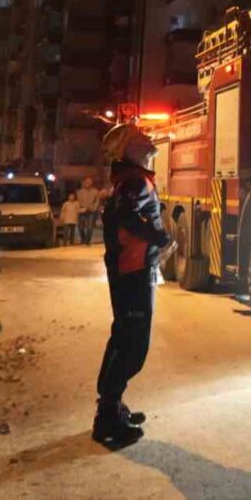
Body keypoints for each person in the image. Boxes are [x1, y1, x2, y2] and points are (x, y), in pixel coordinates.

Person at [93, 122, 172, 445]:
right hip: (133, 270)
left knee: (123, 337)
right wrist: (159, 235)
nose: (149, 140)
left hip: (131, 268)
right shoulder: (134, 181)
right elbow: (126, 216)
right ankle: (107, 419)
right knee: (132, 344)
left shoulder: (130, 180)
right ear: (128, 149)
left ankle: (111, 405)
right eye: (141, 138)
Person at [77, 176, 101, 245]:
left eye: (89, 182)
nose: (88, 183)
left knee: (89, 227)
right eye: (86, 182)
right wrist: (81, 207)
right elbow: (78, 201)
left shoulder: (95, 191)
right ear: (84, 183)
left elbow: (97, 201)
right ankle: (83, 238)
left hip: (91, 211)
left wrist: (94, 208)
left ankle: (87, 241)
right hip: (82, 210)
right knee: (80, 227)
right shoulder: (79, 192)